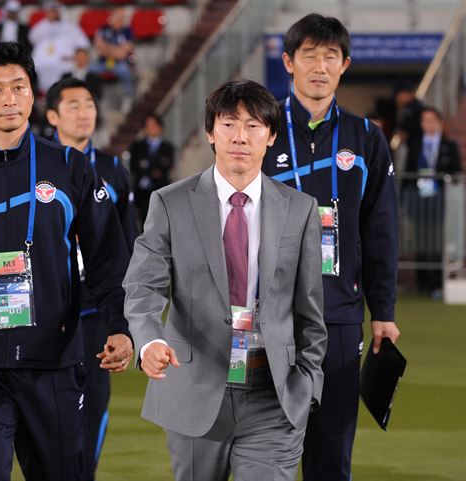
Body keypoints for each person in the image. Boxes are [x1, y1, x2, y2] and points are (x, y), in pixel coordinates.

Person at [0, 41, 133, 481]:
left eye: (19, 86)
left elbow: (107, 256)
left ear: (33, 94)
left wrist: (119, 325)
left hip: (52, 361)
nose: (10, 98)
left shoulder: (70, 167)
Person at [124, 79, 327, 481]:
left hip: (273, 393)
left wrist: (307, 381)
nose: (240, 136)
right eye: (229, 124)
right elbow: (142, 285)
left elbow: (310, 308)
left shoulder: (300, 210)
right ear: (210, 132)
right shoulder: (169, 202)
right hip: (196, 388)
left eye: (253, 126)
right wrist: (149, 339)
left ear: (270, 136)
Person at [261, 14, 400, 481]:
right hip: (267, 315)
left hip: (339, 315)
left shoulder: (366, 139)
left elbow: (381, 230)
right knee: (265, 450)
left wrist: (383, 311)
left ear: (344, 66)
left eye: (330, 57)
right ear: (288, 63)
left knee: (332, 453)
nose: (320, 66)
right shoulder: (260, 130)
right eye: (309, 55)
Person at [45, 76, 138, 481]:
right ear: (52, 116)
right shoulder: (40, 166)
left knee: (94, 409)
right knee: (48, 418)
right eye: (73, 105)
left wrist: (127, 312)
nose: (84, 113)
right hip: (49, 315)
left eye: (89, 104)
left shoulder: (114, 169)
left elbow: (128, 243)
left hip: (97, 314)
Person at [406, 106, 462, 295]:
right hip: (419, 199)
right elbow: (407, 173)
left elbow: (456, 172)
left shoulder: (449, 145)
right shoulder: (414, 145)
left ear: (439, 122)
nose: (427, 125)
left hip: (440, 199)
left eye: (431, 120)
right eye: (424, 121)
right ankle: (423, 284)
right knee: (421, 239)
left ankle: (438, 283)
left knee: (438, 241)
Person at [28, 0, 90, 93]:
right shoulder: (43, 26)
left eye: (55, 11)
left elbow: (83, 44)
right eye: (51, 11)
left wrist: (75, 56)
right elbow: (32, 38)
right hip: (41, 63)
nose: (54, 14)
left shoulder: (70, 26)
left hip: (65, 62)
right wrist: (48, 22)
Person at [128, 112, 175, 226]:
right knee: (144, 222)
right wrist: (154, 170)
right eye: (148, 125)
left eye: (154, 125)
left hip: (161, 189)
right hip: (142, 192)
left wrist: (146, 166)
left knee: (162, 222)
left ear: (160, 126)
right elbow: (134, 167)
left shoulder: (168, 147)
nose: (151, 128)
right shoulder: (137, 146)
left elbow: (166, 168)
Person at [90, 7, 134, 111]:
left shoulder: (127, 31)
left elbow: (123, 54)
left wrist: (107, 48)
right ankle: (91, 97)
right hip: (103, 63)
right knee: (89, 69)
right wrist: (116, 50)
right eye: (117, 17)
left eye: (121, 18)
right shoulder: (103, 29)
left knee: (125, 70)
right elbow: (99, 48)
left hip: (119, 64)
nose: (119, 20)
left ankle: (127, 97)